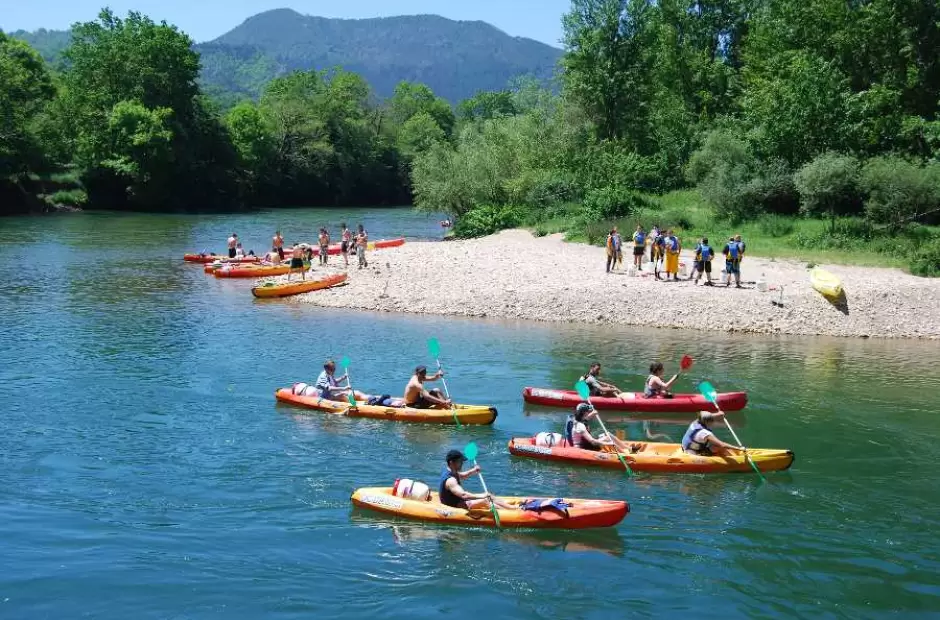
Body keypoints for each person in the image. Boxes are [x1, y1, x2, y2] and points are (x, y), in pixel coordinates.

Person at [439, 450, 517, 510]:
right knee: (485, 500)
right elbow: (464, 495)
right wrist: (482, 495)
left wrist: (473, 470)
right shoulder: (450, 480)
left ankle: (511, 508)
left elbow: (462, 476)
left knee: (490, 496)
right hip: (455, 505)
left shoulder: (451, 471)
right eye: (460, 462)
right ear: (451, 462)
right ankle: (508, 512)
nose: (462, 463)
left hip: (459, 500)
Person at [564, 403, 634, 452]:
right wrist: (608, 443)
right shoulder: (581, 426)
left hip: (587, 444)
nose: (589, 412)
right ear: (585, 413)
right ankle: (623, 454)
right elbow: (593, 442)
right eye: (588, 411)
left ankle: (629, 449)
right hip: (584, 448)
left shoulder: (579, 419)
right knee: (609, 440)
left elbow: (587, 418)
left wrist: (593, 413)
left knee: (608, 434)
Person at [681, 411, 746, 456]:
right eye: (712, 420)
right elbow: (722, 445)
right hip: (693, 453)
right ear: (708, 422)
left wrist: (718, 414)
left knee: (715, 446)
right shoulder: (705, 433)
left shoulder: (696, 422)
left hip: (685, 447)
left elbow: (706, 417)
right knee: (720, 446)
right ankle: (735, 460)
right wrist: (739, 448)